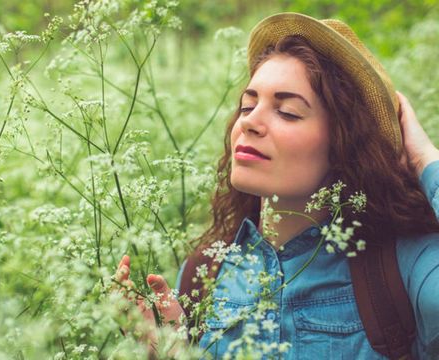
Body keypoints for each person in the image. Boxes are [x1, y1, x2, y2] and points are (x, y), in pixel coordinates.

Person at [114, 12, 439, 359]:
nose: (250, 122)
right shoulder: (204, 271)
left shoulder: (401, 264)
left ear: (345, 144)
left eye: (287, 112)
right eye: (247, 105)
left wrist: (425, 159)